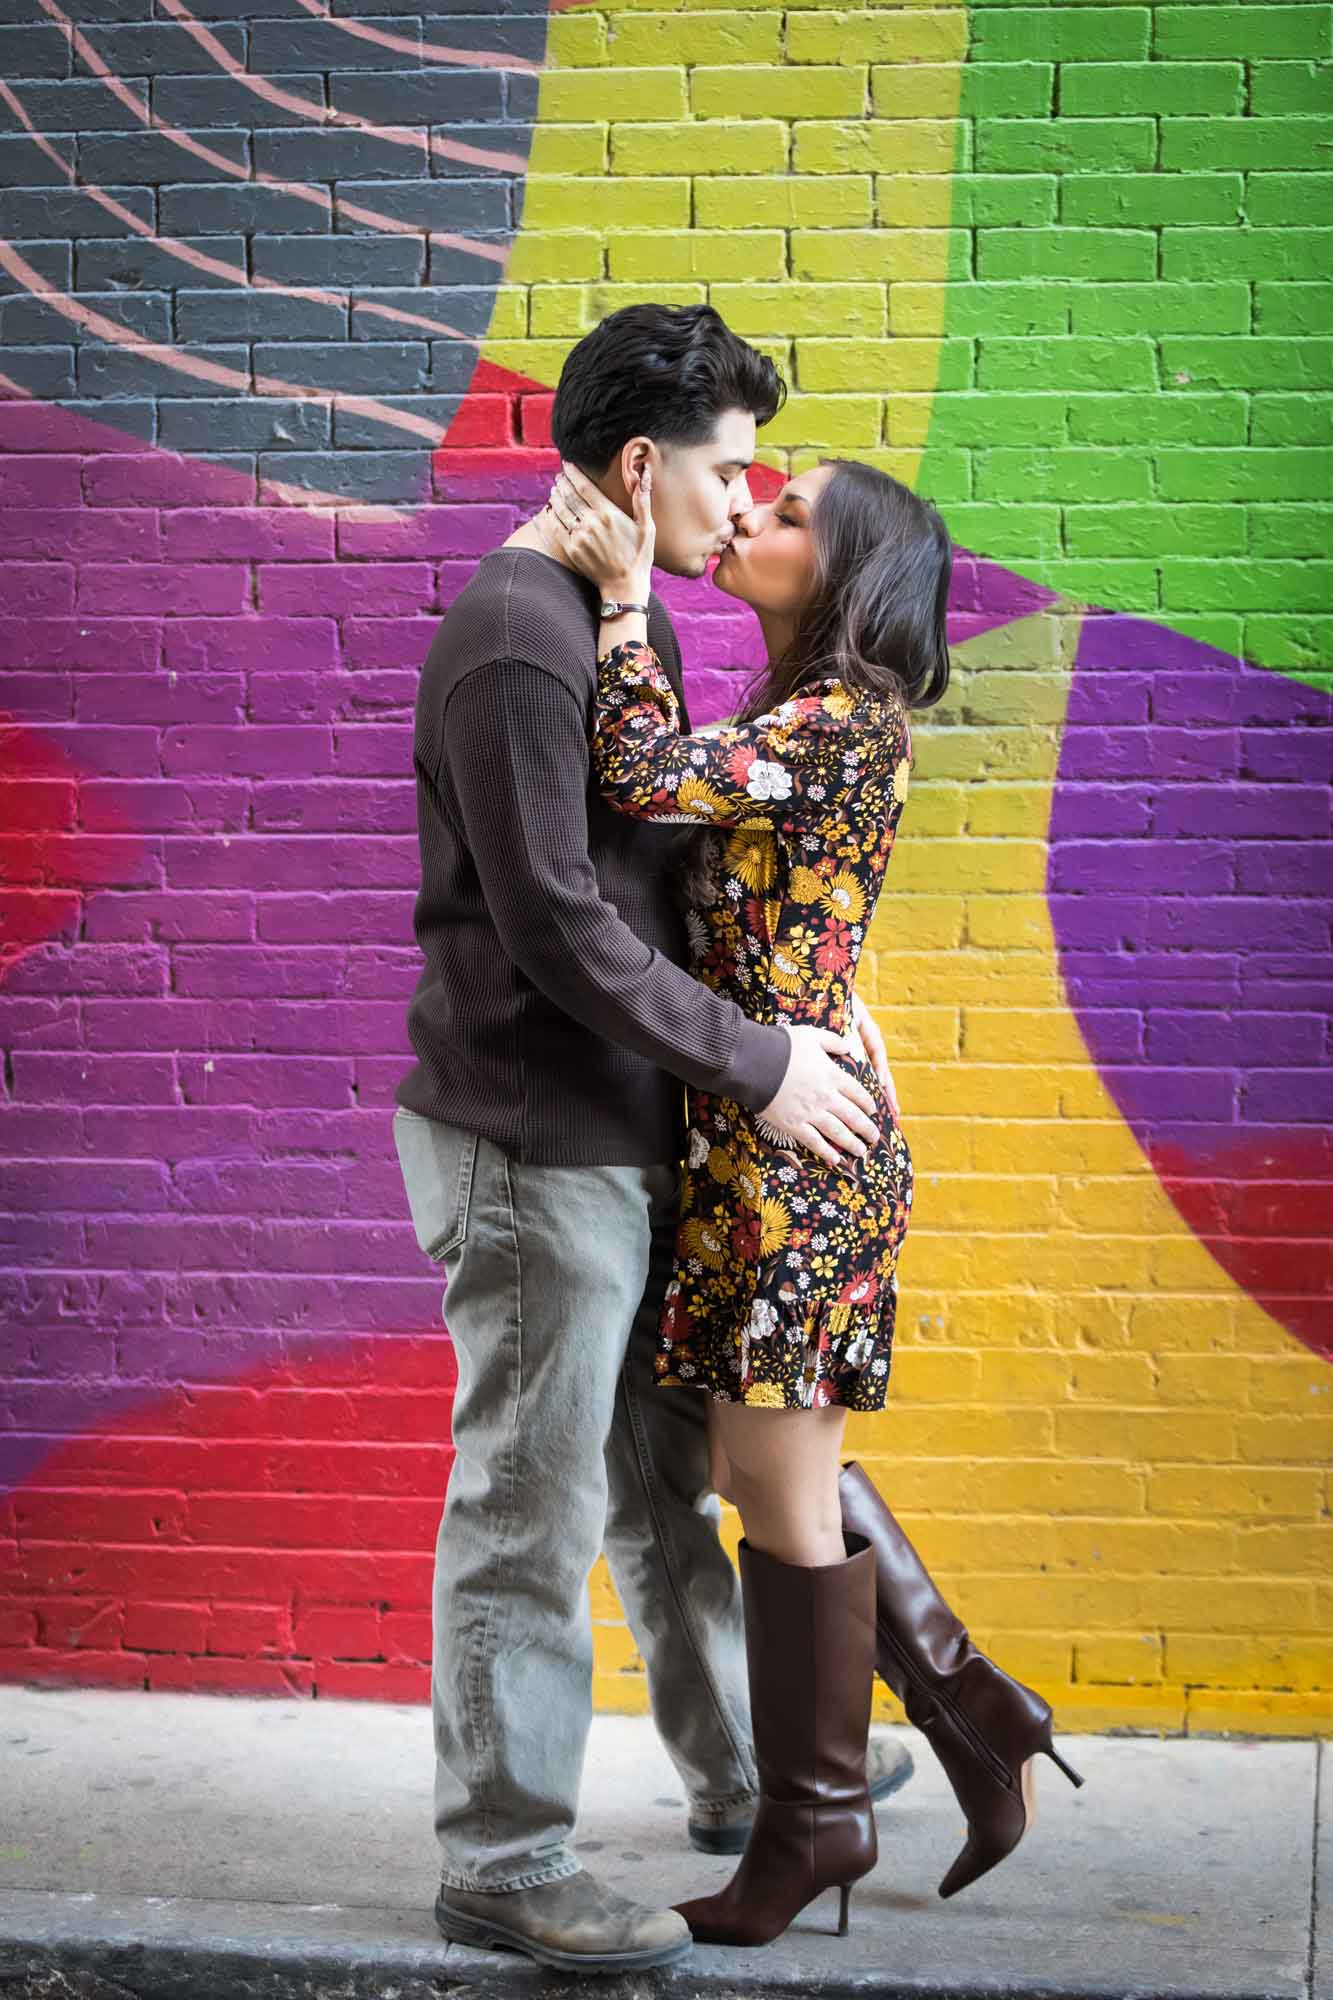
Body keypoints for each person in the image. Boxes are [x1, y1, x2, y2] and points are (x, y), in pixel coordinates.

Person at [391, 304, 913, 1977]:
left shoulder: (620, 624)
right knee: (528, 1508)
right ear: (638, 466)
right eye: (731, 468)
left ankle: (746, 1777)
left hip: (627, 1137)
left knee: (657, 1494)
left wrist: (822, 999)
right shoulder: (518, 631)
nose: (743, 496)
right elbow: (553, 918)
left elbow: (679, 865)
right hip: (533, 1142)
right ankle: (506, 1855)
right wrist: (764, 1065)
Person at [543, 446, 1085, 1949]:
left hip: (792, 1164)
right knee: (756, 1471)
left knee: (768, 1489)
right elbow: (807, 919)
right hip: (764, 1145)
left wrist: (620, 600)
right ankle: (973, 1711)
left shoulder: (841, 718)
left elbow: (640, 783)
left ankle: (813, 1824)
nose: (753, 514)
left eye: (788, 515)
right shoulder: (802, 718)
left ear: (840, 570)